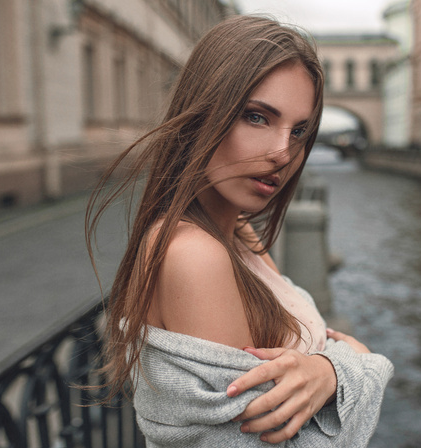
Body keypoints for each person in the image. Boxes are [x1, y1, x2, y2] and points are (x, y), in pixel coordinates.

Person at [86, 15, 393, 447]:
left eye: (300, 131)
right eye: (256, 117)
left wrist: (327, 372)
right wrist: (359, 364)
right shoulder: (194, 254)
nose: (283, 153)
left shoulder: (237, 231)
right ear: (203, 111)